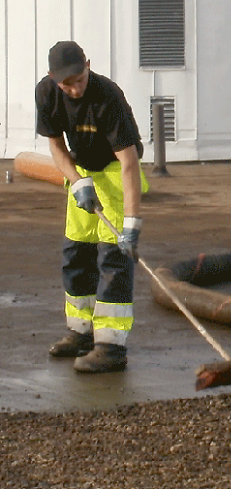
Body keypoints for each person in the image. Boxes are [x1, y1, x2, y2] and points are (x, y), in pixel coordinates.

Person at [35, 41, 148, 373]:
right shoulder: (47, 93)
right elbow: (56, 145)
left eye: (78, 79)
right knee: (76, 252)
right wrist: (76, 180)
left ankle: (111, 345)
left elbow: (129, 163)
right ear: (52, 77)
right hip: (82, 170)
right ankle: (81, 332)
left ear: (88, 64)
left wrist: (131, 224)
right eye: (65, 83)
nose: (73, 88)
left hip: (114, 171)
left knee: (113, 257)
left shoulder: (107, 96)